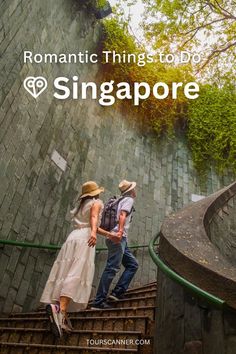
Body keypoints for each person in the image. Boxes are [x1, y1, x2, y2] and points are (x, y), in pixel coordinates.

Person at [40, 181, 116, 337]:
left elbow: (90, 223)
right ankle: (60, 309)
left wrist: (108, 234)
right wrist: (94, 234)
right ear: (96, 193)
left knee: (65, 271)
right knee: (76, 273)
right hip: (85, 239)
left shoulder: (82, 205)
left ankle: (60, 312)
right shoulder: (96, 203)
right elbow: (94, 219)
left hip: (72, 238)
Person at [91, 180, 139, 309]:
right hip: (118, 238)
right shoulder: (128, 200)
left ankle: (117, 292)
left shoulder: (119, 199)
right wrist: (120, 232)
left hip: (118, 239)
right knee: (112, 268)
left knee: (132, 264)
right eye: (134, 189)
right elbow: (123, 215)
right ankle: (99, 301)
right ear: (131, 191)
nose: (136, 190)